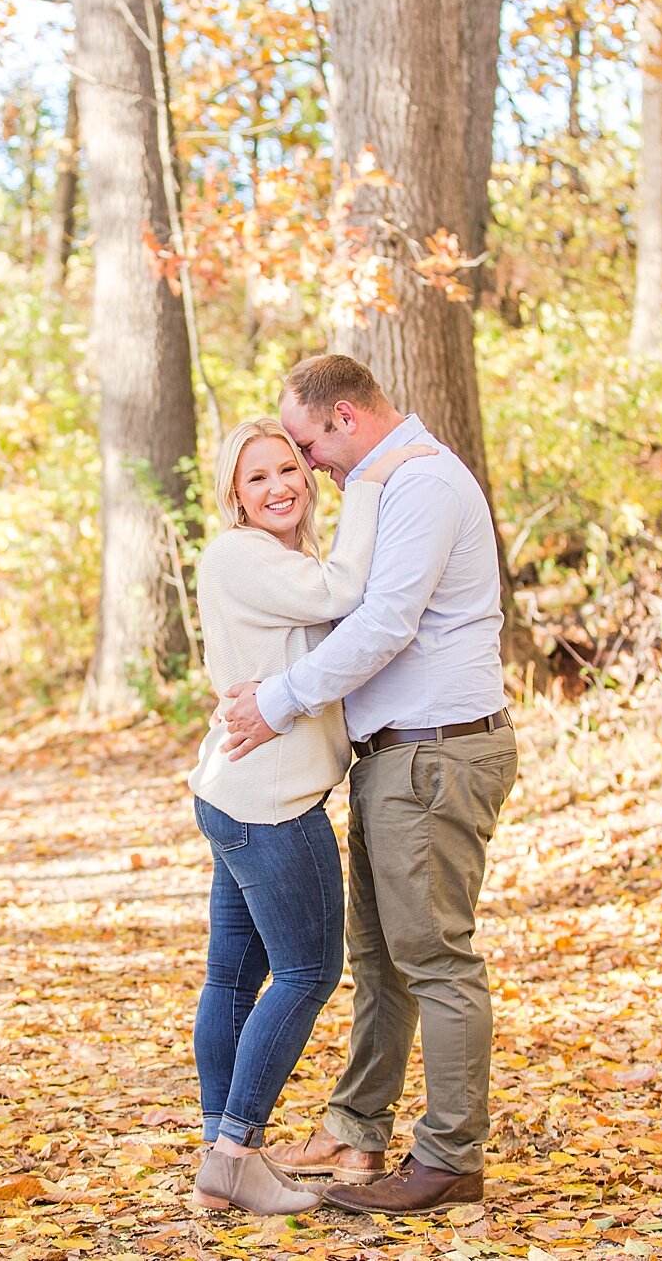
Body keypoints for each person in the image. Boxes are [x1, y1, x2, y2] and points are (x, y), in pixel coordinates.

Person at [219, 354, 518, 1216]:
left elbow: (385, 621)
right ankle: (358, 1128)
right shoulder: (385, 484)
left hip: (435, 754)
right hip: (395, 755)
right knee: (379, 958)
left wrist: (278, 702)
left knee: (435, 960)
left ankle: (451, 1158)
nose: (311, 466)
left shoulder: (419, 485)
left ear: (345, 416)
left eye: (310, 446)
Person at [187, 417, 435, 1216]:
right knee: (307, 972)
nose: (280, 486)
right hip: (271, 805)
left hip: (239, 791)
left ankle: (219, 1161)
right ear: (233, 494)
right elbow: (343, 594)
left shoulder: (275, 560)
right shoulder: (240, 555)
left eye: (289, 468)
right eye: (257, 477)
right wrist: (364, 483)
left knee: (235, 976)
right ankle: (236, 1152)